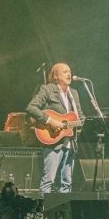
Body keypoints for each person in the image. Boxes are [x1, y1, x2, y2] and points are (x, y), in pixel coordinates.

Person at [25, 62, 82, 193]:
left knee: (67, 183)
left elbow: (80, 116)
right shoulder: (48, 89)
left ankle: (64, 211)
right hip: (52, 142)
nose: (69, 74)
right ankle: (43, 212)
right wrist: (50, 121)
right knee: (48, 181)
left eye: (70, 71)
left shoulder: (74, 94)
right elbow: (31, 107)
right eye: (65, 71)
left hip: (70, 143)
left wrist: (83, 124)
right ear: (55, 76)